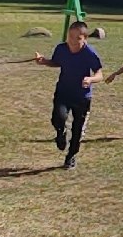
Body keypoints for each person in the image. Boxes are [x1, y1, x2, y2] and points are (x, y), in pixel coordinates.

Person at [34, 18, 101, 168]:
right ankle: (61, 132)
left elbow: (99, 74)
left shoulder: (89, 53)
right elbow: (57, 62)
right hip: (63, 91)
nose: (73, 41)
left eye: (78, 38)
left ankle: (71, 156)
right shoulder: (61, 48)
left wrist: (91, 79)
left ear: (85, 39)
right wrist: (44, 61)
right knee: (58, 117)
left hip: (82, 97)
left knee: (77, 130)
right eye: (70, 37)